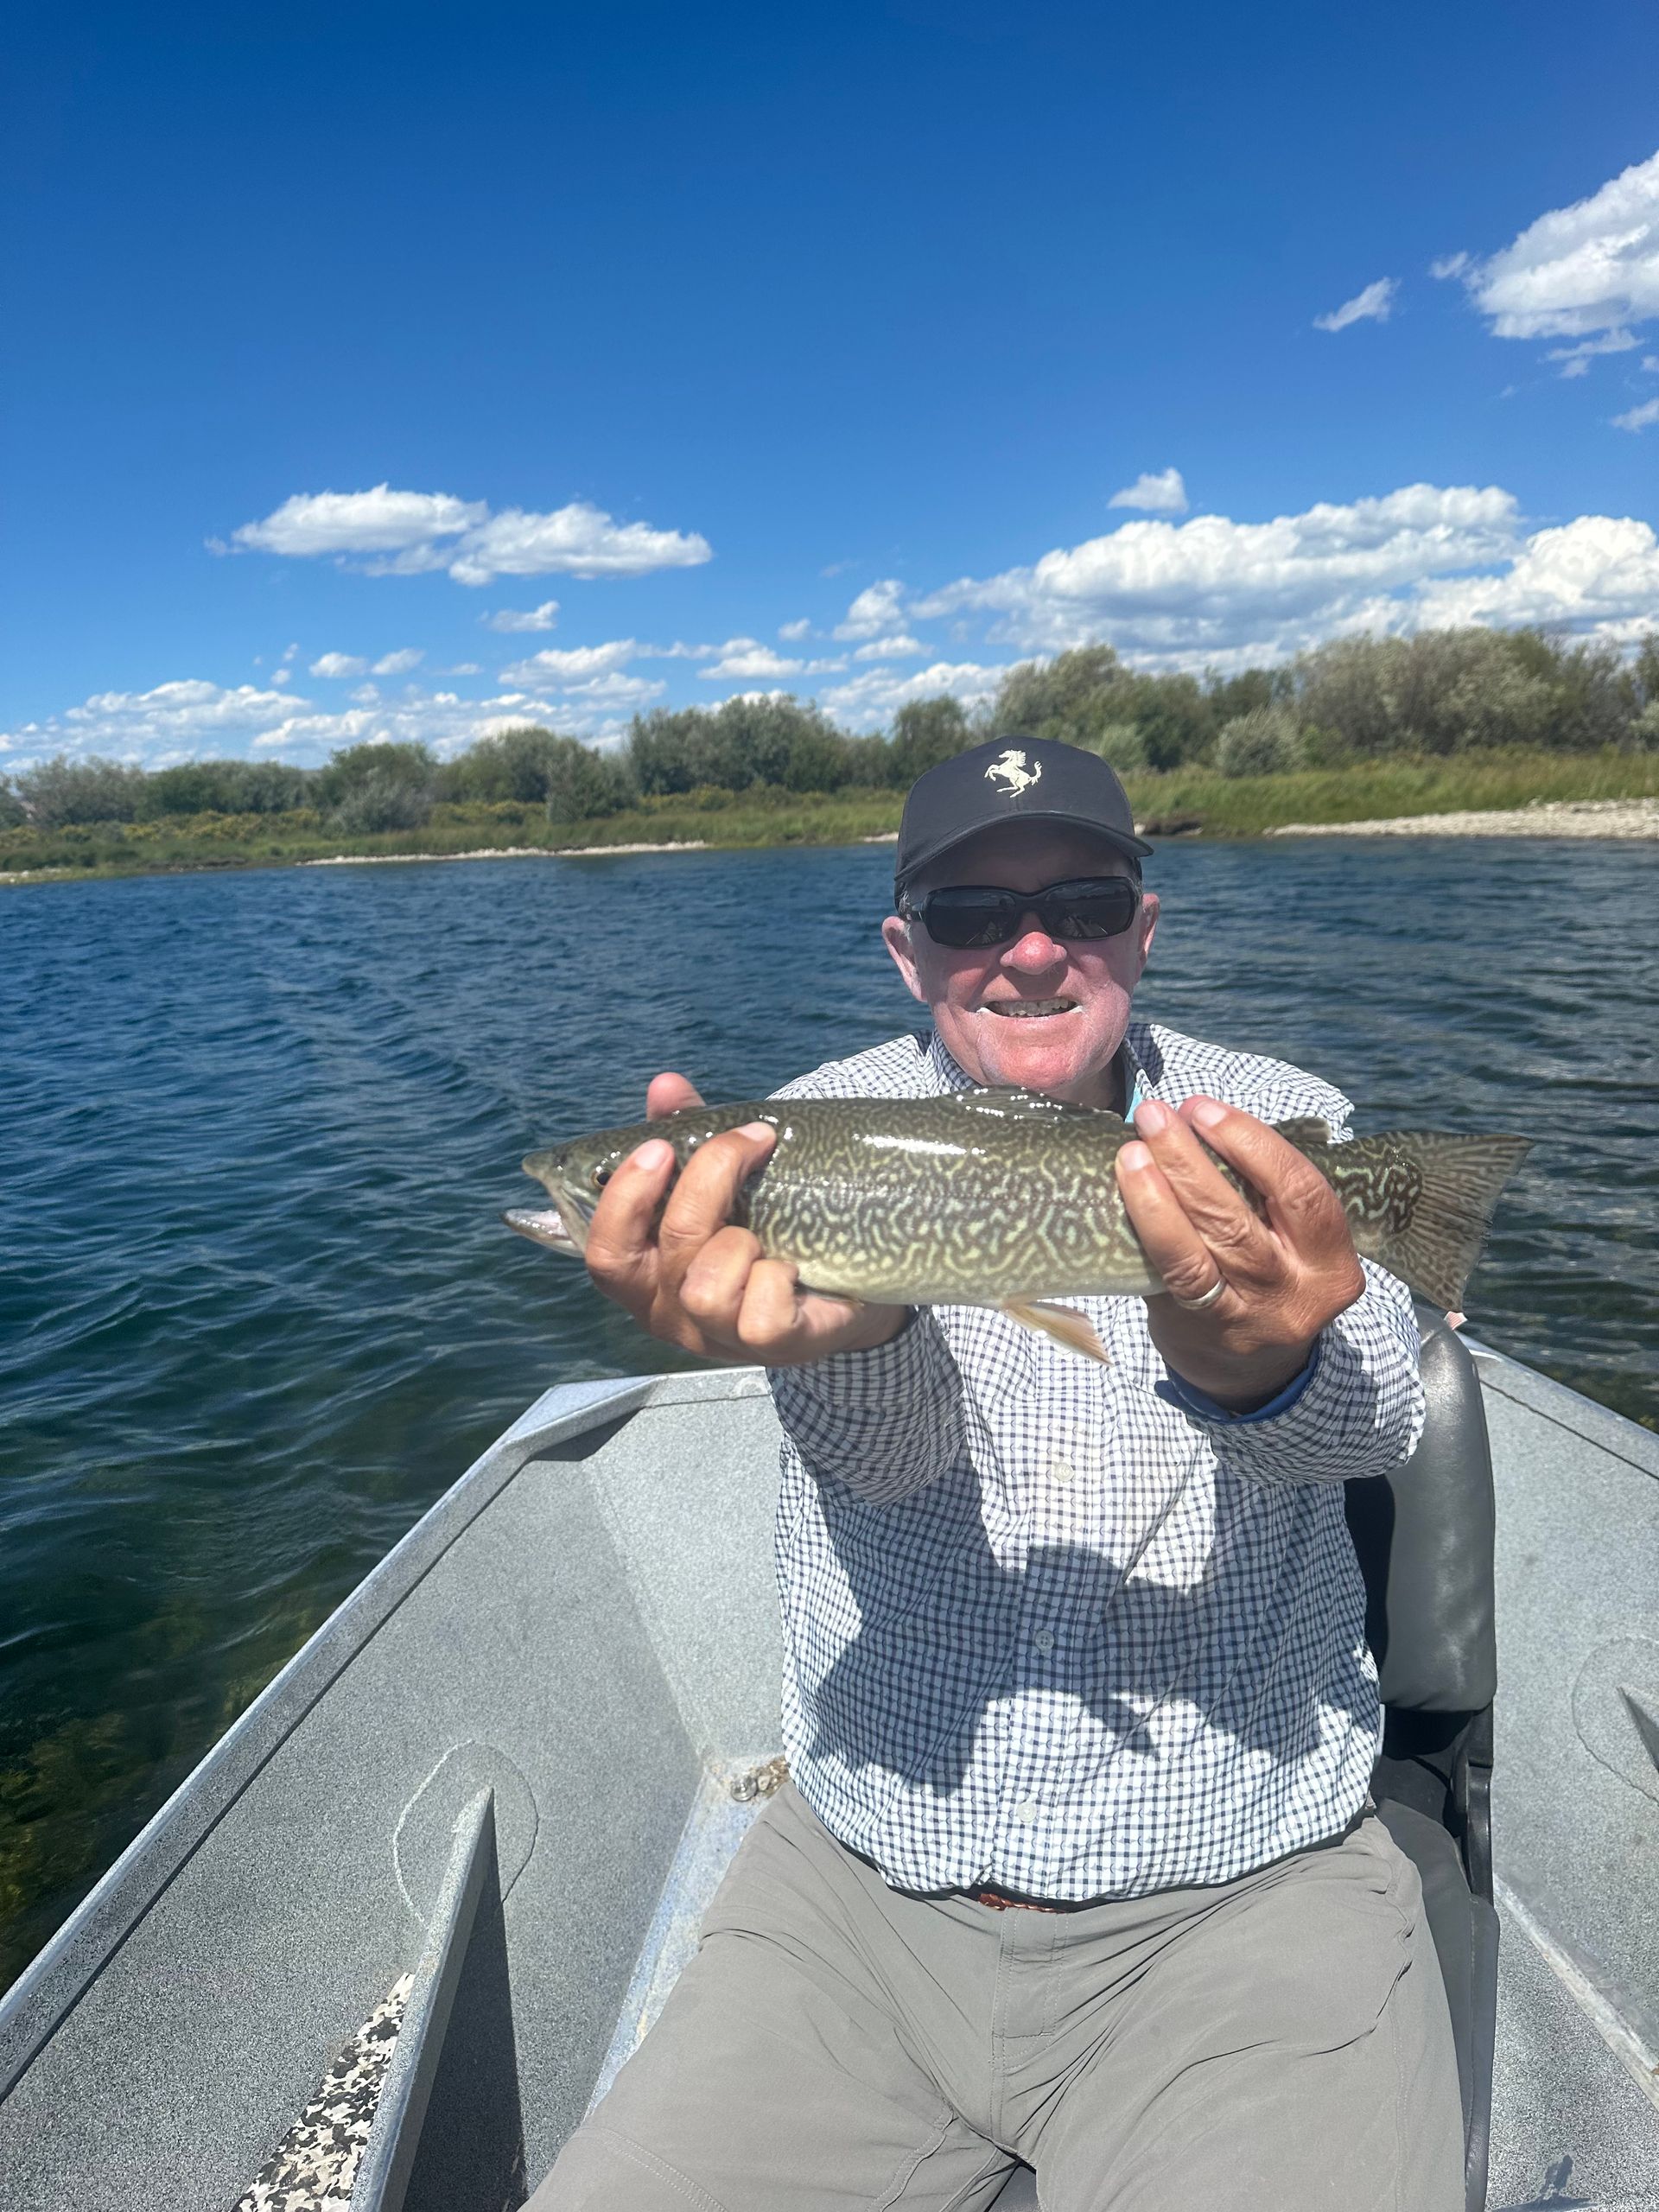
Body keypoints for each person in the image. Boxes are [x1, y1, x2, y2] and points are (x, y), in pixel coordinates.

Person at [531, 736, 1464, 2211]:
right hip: (860, 1893)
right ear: (909, 953)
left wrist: (1251, 1363)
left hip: (1245, 1888)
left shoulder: (1275, 1121)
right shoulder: (790, 1135)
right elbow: (893, 1466)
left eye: (1081, 907)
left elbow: (1374, 1427)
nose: (1031, 953)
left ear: (1142, 930)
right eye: (973, 916)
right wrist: (856, 1335)